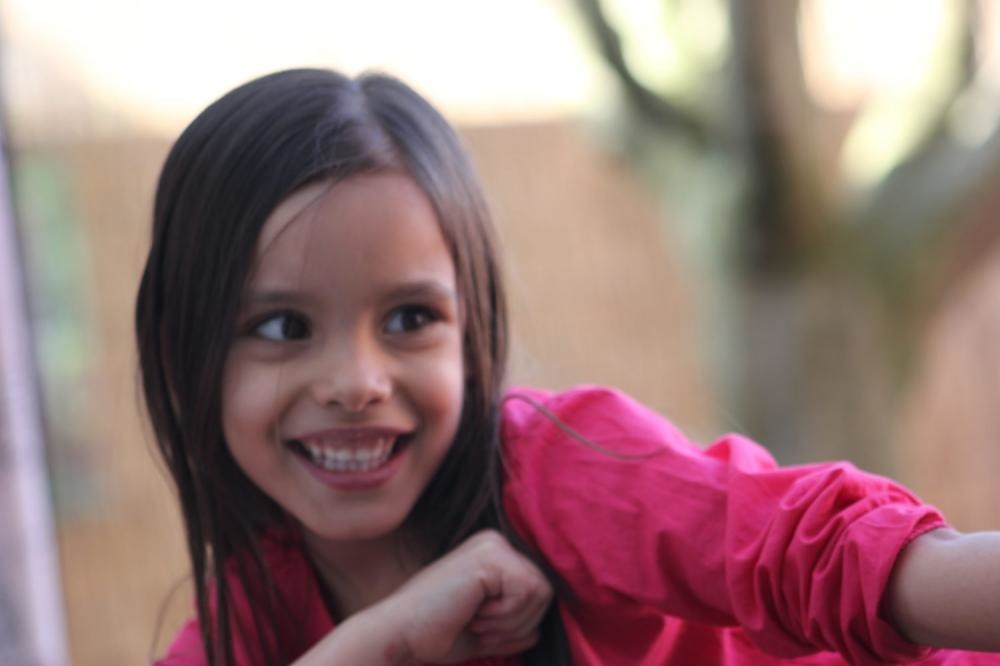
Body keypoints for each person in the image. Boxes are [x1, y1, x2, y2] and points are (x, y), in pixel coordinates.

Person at [137, 68, 1000, 666]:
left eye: (409, 319)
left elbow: (815, 554)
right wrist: (392, 635)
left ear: (472, 328)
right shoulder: (246, 623)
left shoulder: (560, 470)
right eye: (283, 326)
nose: (357, 381)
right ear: (187, 353)